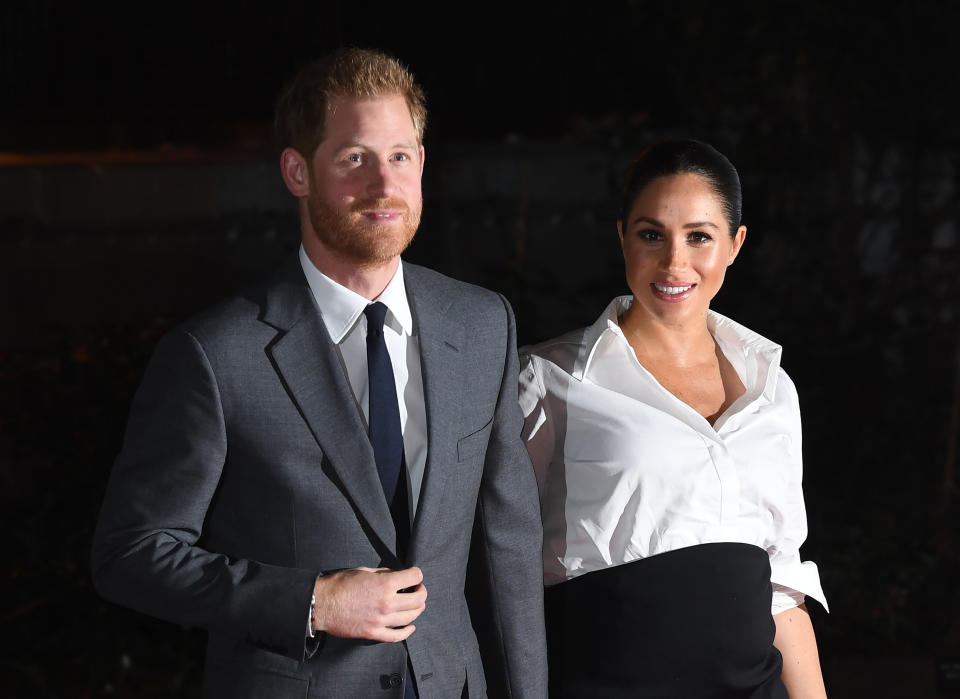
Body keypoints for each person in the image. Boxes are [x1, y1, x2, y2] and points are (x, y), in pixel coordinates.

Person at [91, 48, 547, 699]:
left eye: (401, 155)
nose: (385, 185)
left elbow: (508, 550)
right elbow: (131, 554)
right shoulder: (214, 354)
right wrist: (310, 602)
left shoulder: (482, 325)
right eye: (355, 158)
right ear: (298, 171)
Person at [519, 139, 828, 698]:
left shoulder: (772, 389)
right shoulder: (548, 379)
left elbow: (783, 591)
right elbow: (497, 564)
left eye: (699, 237)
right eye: (651, 235)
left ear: (735, 245)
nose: (674, 263)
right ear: (622, 237)